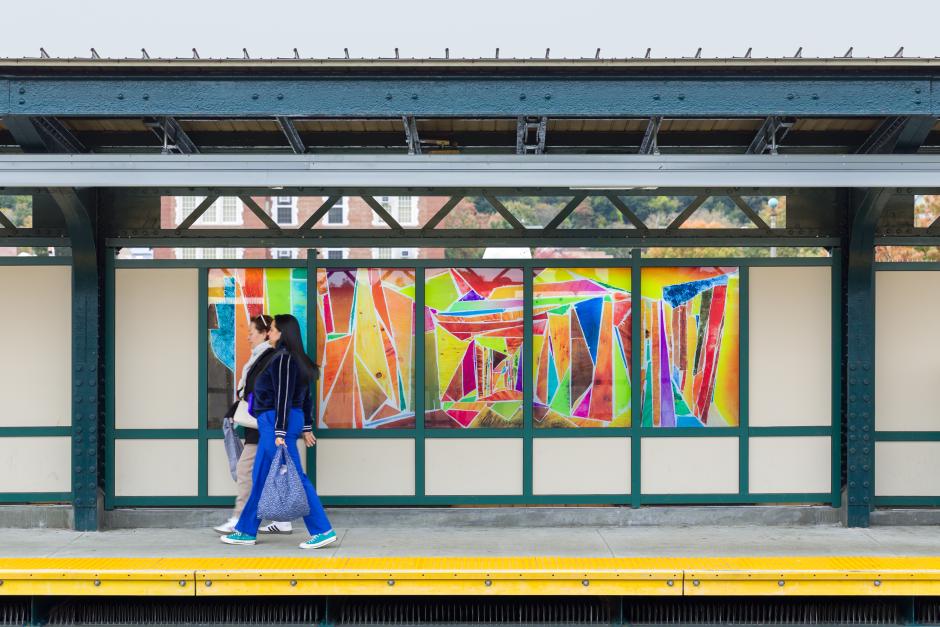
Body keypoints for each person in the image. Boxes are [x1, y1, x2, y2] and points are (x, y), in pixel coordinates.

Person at [220, 313, 336, 549]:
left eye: (272, 329)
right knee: (260, 477)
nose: (269, 332)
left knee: (296, 477)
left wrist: (280, 432)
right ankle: (245, 530)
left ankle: (323, 530)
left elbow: (283, 397)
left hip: (275, 423)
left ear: (283, 333)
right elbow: (304, 396)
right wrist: (303, 426)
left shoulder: (283, 359)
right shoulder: (292, 359)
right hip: (275, 423)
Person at [214, 314, 294, 535]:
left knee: (245, 469)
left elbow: (258, 390)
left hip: (263, 423)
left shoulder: (269, 357)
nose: (248, 337)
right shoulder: (260, 357)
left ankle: (239, 517)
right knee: (271, 471)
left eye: (252, 332)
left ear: (266, 333)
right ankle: (283, 519)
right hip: (260, 423)